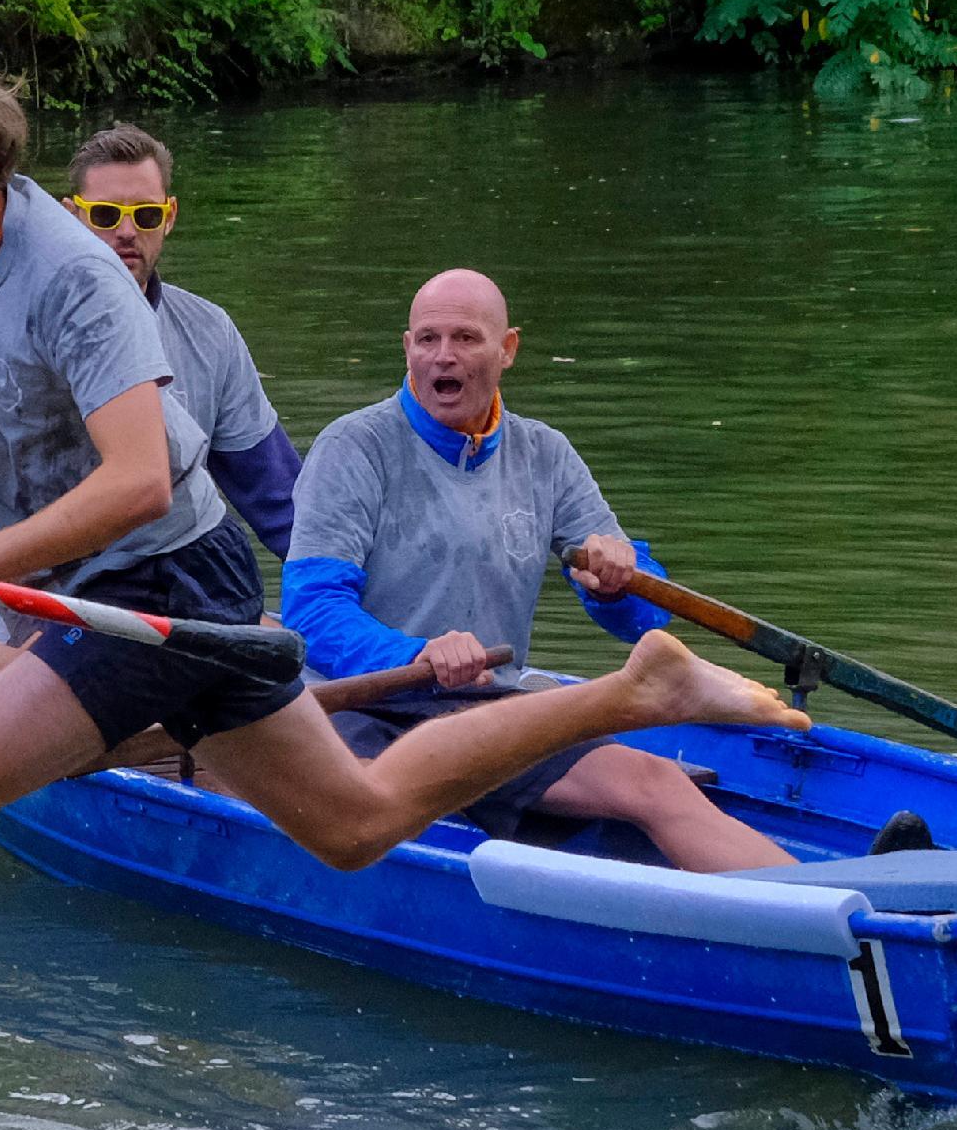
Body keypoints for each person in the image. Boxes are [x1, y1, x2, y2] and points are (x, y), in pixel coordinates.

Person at [0, 39, 807, 1130]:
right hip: (130, 594)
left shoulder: (74, 277)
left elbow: (140, 480)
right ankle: (632, 691)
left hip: (160, 583)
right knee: (357, 820)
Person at [284, 268, 797, 873]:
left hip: (491, 711)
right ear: (407, 348)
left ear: (508, 350)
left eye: (466, 339)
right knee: (378, 815)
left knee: (656, 782)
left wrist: (616, 585)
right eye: (427, 339)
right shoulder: (354, 447)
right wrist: (417, 654)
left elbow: (646, 615)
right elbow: (312, 611)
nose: (442, 357)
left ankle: (841, 908)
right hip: (361, 710)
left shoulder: (546, 454)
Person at [0, 122, 298, 703]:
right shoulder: (8, 323)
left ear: (170, 217)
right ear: (71, 214)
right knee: (1, 670)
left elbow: (280, 503)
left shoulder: (211, 334)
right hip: (22, 595)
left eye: (146, 216)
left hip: (158, 588)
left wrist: (350, 613)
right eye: (105, 215)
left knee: (267, 644)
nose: (127, 233)